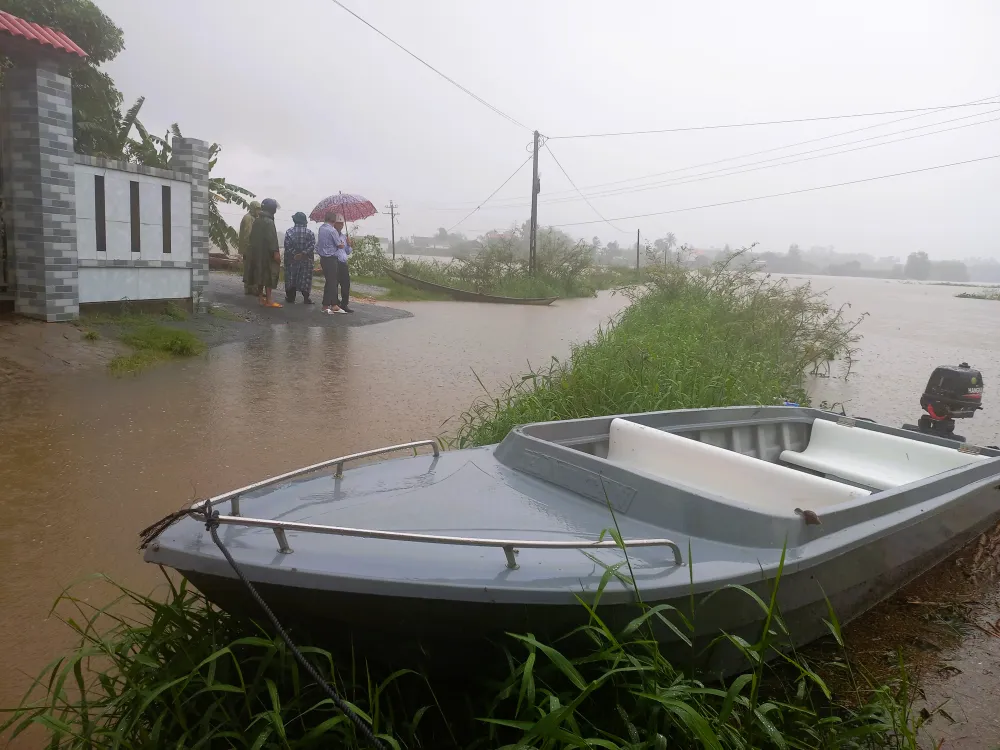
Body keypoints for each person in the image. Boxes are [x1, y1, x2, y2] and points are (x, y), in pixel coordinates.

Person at [246, 198, 282, 307]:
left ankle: (261, 298)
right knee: (269, 275)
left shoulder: (257, 220)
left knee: (260, 275)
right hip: (267, 254)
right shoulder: (269, 222)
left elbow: (252, 237)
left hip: (257, 253)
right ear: (272, 209)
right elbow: (272, 239)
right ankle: (269, 300)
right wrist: (276, 253)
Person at [316, 210, 348, 314]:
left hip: (323, 259)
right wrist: (343, 243)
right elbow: (339, 245)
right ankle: (332, 305)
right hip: (331, 258)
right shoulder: (332, 231)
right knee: (332, 282)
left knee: (329, 282)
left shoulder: (321, 228)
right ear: (333, 220)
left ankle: (327, 305)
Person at [283, 212, 316, 304]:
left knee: (291, 278)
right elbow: (312, 245)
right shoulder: (310, 233)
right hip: (306, 260)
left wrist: (295, 254)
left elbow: (287, 246)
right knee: (305, 279)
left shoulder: (289, 232)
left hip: (292, 260)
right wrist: (303, 253)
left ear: (294, 220)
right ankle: (306, 298)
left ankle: (291, 297)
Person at [329, 213, 354, 313]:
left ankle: (344, 304)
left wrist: (349, 244)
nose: (341, 225)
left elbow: (347, 251)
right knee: (334, 284)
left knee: (346, 284)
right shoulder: (331, 235)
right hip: (334, 262)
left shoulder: (344, 237)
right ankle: (335, 303)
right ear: (334, 224)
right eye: (339, 223)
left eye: (342, 223)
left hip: (343, 263)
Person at [238, 201, 261, 295]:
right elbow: (248, 234)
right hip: (249, 248)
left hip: (250, 248)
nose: (259, 211)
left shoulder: (253, 218)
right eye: (257, 209)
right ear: (253, 209)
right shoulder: (248, 218)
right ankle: (249, 288)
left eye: (260, 209)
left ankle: (251, 288)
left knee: (252, 268)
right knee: (250, 268)